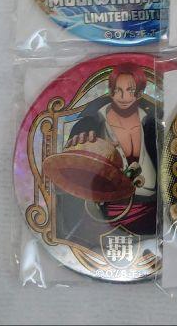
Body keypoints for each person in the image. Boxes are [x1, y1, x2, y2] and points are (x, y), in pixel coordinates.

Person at [61, 62, 158, 239]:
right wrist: (78, 151)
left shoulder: (155, 127)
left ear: (140, 92)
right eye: (117, 90)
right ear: (110, 90)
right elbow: (66, 176)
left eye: (130, 90)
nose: (123, 97)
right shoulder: (88, 126)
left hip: (152, 219)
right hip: (99, 220)